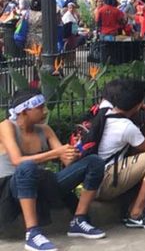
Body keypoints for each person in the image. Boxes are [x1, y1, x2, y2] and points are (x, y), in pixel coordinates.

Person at [0, 90, 106, 250]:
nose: (45, 111)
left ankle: (79, 220)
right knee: (26, 167)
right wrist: (55, 153)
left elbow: (67, 161)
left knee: (94, 162)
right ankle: (33, 233)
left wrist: (74, 151)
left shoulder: (45, 129)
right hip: (11, 189)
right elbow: (17, 161)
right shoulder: (6, 126)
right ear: (24, 111)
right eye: (40, 108)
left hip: (42, 185)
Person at [92, 80, 145, 230]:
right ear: (137, 104)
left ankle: (133, 207)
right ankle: (136, 214)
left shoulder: (106, 111)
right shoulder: (126, 127)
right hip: (106, 182)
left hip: (96, 180)